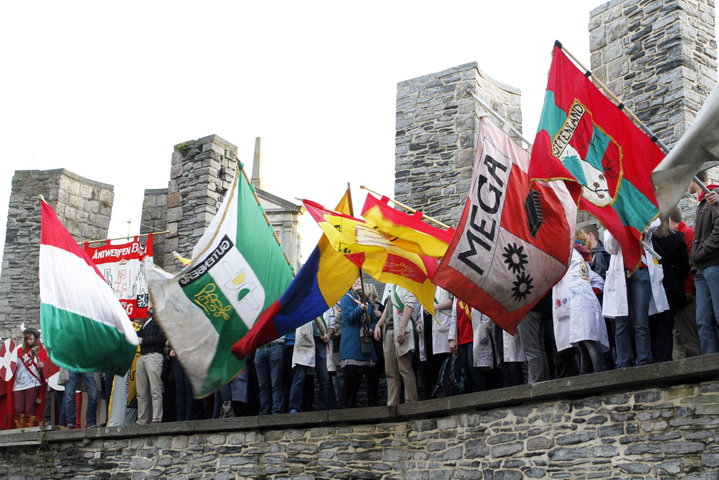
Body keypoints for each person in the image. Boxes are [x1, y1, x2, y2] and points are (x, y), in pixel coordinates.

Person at [603, 219, 669, 367]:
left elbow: (654, 223)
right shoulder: (611, 218)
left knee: (641, 321)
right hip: (621, 273)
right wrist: (619, 225)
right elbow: (611, 247)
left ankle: (643, 361)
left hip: (641, 271)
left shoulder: (640, 214)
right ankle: (623, 363)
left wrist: (633, 220)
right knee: (621, 322)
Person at [552, 243, 609, 374]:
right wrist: (589, 290)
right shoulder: (578, 259)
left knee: (588, 341)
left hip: (579, 302)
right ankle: (585, 377)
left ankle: (599, 375)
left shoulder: (566, 254)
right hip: (581, 301)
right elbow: (598, 280)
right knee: (583, 344)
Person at [650, 216, 690, 362]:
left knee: (652, 327)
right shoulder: (677, 237)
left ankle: (653, 361)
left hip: (653, 287)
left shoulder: (649, 241)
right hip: (671, 287)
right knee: (666, 328)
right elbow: (684, 265)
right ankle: (664, 360)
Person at [374, 284, 421, 405]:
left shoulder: (406, 284)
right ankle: (392, 403)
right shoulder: (393, 288)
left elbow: (410, 305)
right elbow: (387, 310)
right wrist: (378, 325)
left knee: (404, 368)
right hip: (389, 331)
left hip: (400, 331)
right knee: (390, 371)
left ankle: (411, 401)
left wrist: (402, 327)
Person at [689, 170, 719, 354]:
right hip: (701, 269)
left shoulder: (715, 197)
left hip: (713, 265)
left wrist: (699, 253)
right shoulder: (702, 202)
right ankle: (709, 364)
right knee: (703, 321)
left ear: (695, 179)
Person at [667, 206, 700, 358]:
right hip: (681, 291)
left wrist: (687, 289)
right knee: (679, 333)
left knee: (688, 335)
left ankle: (698, 371)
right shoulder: (685, 233)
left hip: (686, 292)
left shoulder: (685, 234)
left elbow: (691, 266)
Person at [340, 278, 379, 408]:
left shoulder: (367, 301)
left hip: (367, 346)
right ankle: (345, 410)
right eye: (354, 280)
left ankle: (374, 409)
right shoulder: (346, 299)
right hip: (352, 345)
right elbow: (349, 318)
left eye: (358, 280)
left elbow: (373, 319)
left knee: (372, 380)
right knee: (350, 383)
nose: (357, 282)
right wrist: (360, 309)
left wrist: (373, 328)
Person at [135, 307, 167, 424]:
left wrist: (143, 341)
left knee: (155, 388)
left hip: (154, 355)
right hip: (143, 356)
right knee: (141, 392)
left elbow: (161, 339)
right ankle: (142, 419)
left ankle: (156, 417)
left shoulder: (162, 322)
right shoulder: (146, 323)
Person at [12, 328, 47, 428]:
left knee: (29, 408)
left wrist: (42, 367)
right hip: (18, 384)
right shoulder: (19, 351)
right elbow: (11, 366)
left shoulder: (40, 350)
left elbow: (44, 371)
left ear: (35, 339)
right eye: (27, 339)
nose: (29, 341)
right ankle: (18, 431)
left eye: (31, 339)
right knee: (18, 409)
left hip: (32, 382)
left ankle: (29, 430)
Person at [253, 337, 284, 415]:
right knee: (262, 384)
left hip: (276, 345)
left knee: (276, 382)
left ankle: (276, 410)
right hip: (260, 347)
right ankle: (264, 410)